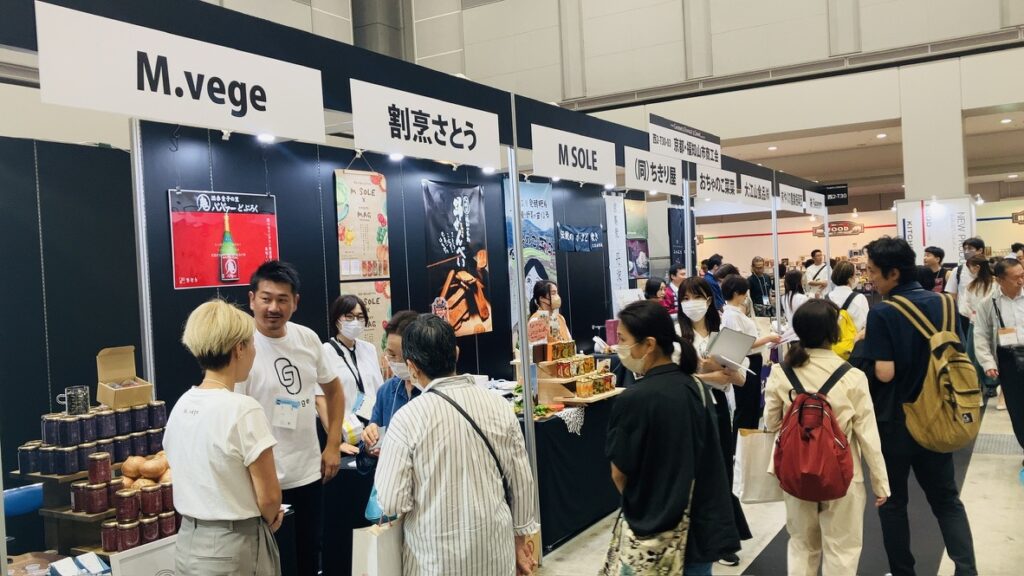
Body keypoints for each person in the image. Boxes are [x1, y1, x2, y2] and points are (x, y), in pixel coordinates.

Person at [375, 315, 538, 576]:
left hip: (434, 560)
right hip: (495, 551)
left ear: (412, 367)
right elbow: (521, 481)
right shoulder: (498, 405)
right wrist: (520, 540)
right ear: (457, 353)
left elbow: (392, 501)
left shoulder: (406, 420)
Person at [862, 236, 977, 576]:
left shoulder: (883, 312)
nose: (870, 278)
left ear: (893, 273)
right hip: (939, 414)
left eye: (873, 271)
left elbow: (884, 373)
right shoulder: (945, 304)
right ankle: (967, 569)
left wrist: (863, 350)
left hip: (895, 421)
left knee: (893, 503)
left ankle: (904, 572)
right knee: (947, 500)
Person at [604, 300, 739, 575]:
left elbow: (619, 473)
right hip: (700, 525)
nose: (619, 347)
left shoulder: (634, 398)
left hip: (654, 526)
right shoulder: (697, 387)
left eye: (623, 339)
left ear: (649, 344)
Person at [764, 299, 890, 576]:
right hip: (844, 473)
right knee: (842, 549)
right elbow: (869, 437)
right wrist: (881, 483)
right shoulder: (853, 376)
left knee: (801, 545)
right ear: (834, 332)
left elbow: (771, 423)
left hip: (796, 470)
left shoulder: (781, 372)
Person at [236, 261, 345, 576]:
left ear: (295, 302)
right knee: (271, 565)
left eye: (282, 299)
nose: (273, 307)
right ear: (252, 299)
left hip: (308, 473)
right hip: (260, 482)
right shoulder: (240, 345)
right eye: (266, 298)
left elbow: (334, 392)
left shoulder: (307, 339)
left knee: (309, 556)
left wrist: (333, 445)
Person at [165, 300, 283, 576]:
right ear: (238, 348)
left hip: (188, 539)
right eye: (251, 344)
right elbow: (269, 498)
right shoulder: (243, 409)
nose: (254, 351)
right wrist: (271, 514)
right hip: (234, 544)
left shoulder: (182, 404)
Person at [676, 277, 751, 567]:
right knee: (692, 472)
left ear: (708, 299)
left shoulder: (724, 333)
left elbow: (739, 378)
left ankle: (720, 538)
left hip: (719, 410)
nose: (691, 303)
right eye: (685, 298)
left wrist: (718, 372)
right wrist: (711, 374)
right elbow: (677, 377)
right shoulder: (676, 335)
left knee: (720, 472)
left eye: (696, 296)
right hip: (689, 408)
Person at [318, 295, 385, 456]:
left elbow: (379, 390)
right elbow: (319, 401)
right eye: (349, 316)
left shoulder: (369, 349)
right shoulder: (325, 352)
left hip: (373, 433)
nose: (355, 321)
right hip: (346, 435)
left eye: (360, 317)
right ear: (337, 319)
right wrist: (336, 442)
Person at [721, 276, 781, 436]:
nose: (746, 296)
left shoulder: (735, 313)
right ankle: (742, 442)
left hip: (751, 360)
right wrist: (768, 338)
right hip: (746, 362)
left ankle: (750, 440)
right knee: (746, 406)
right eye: (744, 293)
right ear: (736, 293)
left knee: (752, 405)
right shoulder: (731, 315)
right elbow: (743, 343)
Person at [360, 310, 420, 462]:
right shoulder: (386, 392)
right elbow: (368, 454)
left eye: (403, 356)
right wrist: (369, 443)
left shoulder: (432, 391)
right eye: (391, 355)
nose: (396, 361)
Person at [973, 258, 1024, 440]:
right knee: (1017, 409)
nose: (1021, 281)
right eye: (1016, 278)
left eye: (1023, 275)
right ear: (1000, 280)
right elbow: (981, 334)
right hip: (1008, 360)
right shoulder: (989, 303)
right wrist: (988, 362)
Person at [963, 254, 1000, 397]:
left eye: (971, 268)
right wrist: (973, 314)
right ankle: (976, 382)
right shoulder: (971, 285)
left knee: (992, 353)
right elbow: (965, 304)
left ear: (977, 267)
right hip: (975, 323)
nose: (970, 271)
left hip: (994, 324)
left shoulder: (995, 283)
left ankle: (992, 383)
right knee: (973, 355)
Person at [945, 237, 986, 333]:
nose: (966, 252)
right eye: (964, 249)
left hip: (986, 315)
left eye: (970, 248)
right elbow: (952, 295)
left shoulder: (989, 270)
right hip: (964, 316)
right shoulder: (957, 271)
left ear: (980, 250)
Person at [828, 261, 870, 334]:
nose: (857, 278)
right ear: (849, 279)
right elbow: (865, 325)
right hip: (853, 339)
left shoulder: (827, 297)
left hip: (832, 339)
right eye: (855, 275)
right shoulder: (859, 298)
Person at [781, 270, 809, 341]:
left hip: (791, 332)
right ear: (798, 281)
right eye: (802, 279)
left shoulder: (783, 297)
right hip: (801, 333)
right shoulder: (802, 298)